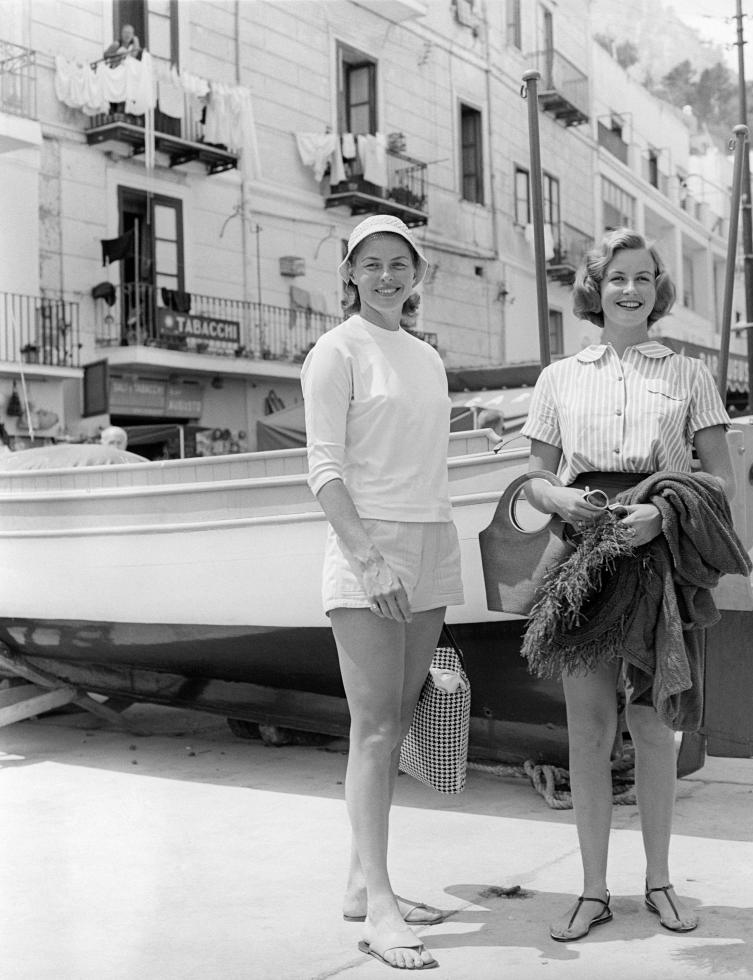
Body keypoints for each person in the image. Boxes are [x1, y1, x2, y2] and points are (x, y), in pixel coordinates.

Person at [520, 228, 736, 942]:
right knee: (588, 728)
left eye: (644, 278)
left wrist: (661, 512)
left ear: (658, 289)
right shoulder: (559, 377)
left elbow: (721, 478)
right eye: (617, 277)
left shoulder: (690, 375)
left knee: (651, 725)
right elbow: (535, 477)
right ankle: (591, 891)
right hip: (584, 554)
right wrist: (556, 501)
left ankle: (660, 883)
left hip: (657, 556)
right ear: (595, 286)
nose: (631, 290)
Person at [300, 213, 463, 971]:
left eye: (401, 263)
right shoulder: (336, 352)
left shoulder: (427, 358)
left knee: (400, 720)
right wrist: (368, 561)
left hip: (431, 539)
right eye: (373, 263)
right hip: (371, 549)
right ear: (350, 273)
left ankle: (362, 881)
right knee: (372, 727)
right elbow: (325, 471)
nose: (388, 275)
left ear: (417, 272)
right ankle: (383, 909)